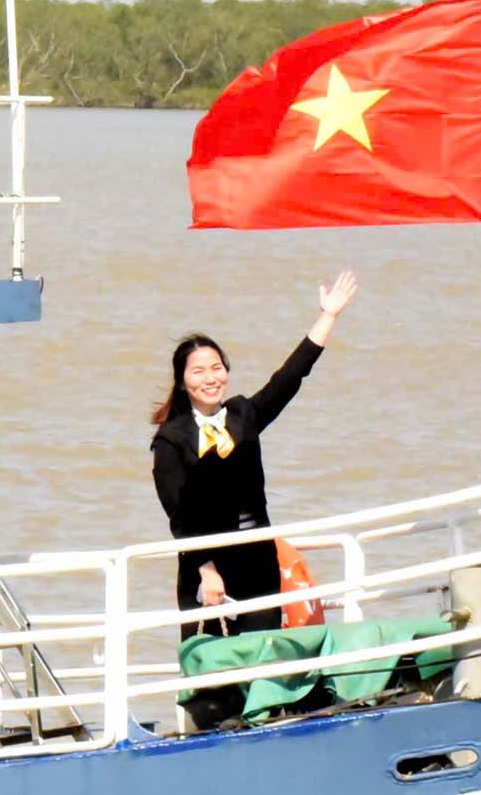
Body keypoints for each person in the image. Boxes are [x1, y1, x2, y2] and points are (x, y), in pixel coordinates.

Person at [149, 272, 362, 637]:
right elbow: (179, 516)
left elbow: (290, 377)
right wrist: (206, 569)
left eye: (217, 367)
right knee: (214, 674)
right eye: (198, 371)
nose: (210, 378)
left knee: (262, 656)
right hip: (208, 565)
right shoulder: (171, 440)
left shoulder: (243, 415)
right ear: (183, 382)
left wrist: (328, 316)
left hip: (258, 559)